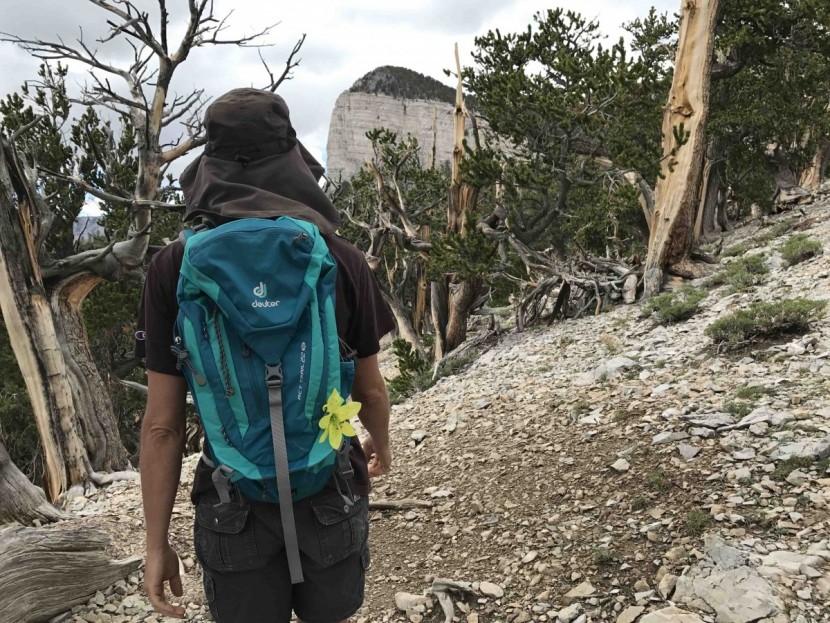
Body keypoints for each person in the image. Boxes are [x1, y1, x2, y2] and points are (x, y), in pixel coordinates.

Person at [135, 88, 395, 623]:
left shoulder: (174, 267)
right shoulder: (339, 258)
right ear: (292, 159)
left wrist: (155, 543)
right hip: (329, 488)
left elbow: (161, 426)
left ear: (208, 164)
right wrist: (382, 447)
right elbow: (370, 389)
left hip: (233, 499)